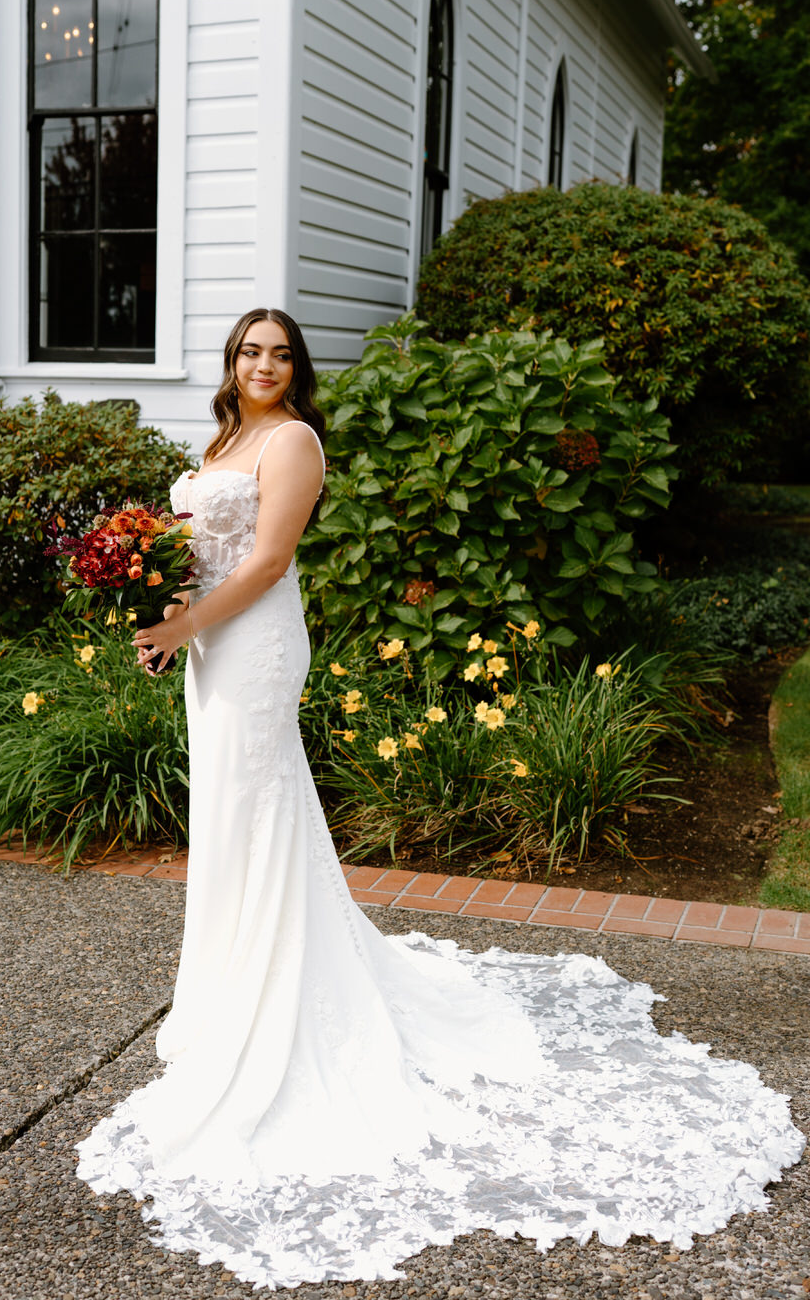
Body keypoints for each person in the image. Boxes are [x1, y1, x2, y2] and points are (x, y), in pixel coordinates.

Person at [76, 308, 804, 1291]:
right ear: (231, 362)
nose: (262, 364)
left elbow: (269, 560)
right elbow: (200, 551)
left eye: (279, 353)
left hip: (250, 646)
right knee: (230, 817)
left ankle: (276, 993)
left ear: (297, 369)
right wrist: (161, 608)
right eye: (250, 351)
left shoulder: (292, 441)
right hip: (208, 642)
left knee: (259, 811)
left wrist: (190, 622)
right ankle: (229, 981)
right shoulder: (224, 439)